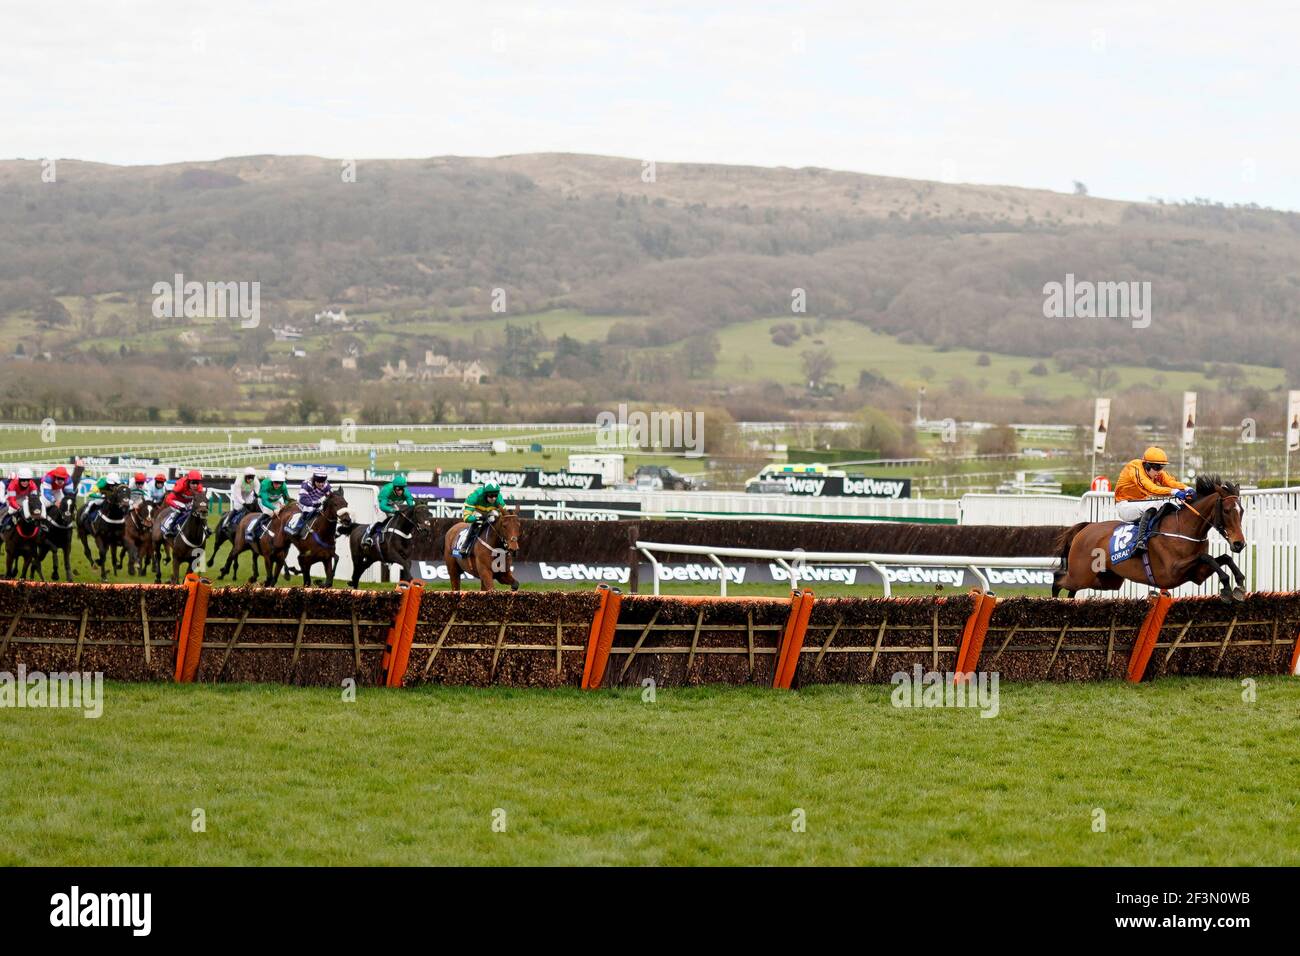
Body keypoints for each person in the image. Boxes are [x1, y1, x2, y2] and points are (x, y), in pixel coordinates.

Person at [1114, 446, 1191, 551]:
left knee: (1167, 505)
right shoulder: (1134, 469)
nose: (1159, 471)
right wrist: (1173, 492)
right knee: (1153, 505)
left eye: (1162, 467)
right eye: (1157, 468)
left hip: (1140, 504)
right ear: (1147, 465)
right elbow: (1150, 489)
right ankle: (1140, 542)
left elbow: (1170, 482)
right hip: (1125, 505)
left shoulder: (1154, 471)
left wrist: (1186, 488)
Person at [456, 481, 508, 556]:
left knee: (495, 520)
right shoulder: (475, 496)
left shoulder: (499, 499)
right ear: (485, 494)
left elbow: (505, 515)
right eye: (491, 495)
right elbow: (467, 518)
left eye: (495, 495)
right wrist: (478, 518)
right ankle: (465, 546)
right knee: (478, 523)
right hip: (475, 510)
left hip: (489, 511)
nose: (493, 498)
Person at [365, 474, 415, 549]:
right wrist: (393, 510)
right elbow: (382, 506)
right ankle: (369, 537)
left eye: (402, 489)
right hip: (381, 504)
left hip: (392, 504)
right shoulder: (387, 490)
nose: (400, 491)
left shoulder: (406, 492)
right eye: (398, 489)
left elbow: (411, 506)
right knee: (381, 520)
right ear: (394, 487)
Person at [289, 469, 333, 536]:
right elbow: (302, 499)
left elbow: (331, 496)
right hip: (304, 500)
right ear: (314, 480)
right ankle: (298, 528)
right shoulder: (306, 484)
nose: (321, 484)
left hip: (316, 500)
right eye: (318, 482)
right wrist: (312, 504)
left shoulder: (326, 485)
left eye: (323, 482)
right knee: (308, 509)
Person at [2, 466, 41, 532]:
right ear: (19, 479)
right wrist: (19, 508)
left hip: (23, 498)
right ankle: (6, 525)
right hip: (11, 499)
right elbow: (12, 500)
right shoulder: (12, 484)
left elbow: (35, 498)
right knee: (12, 510)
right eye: (23, 480)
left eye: (27, 480)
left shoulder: (32, 484)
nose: (25, 482)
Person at [224, 467, 260, 532]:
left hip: (248, 494)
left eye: (252, 477)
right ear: (245, 476)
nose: (250, 479)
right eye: (248, 477)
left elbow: (258, 493)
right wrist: (244, 503)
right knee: (238, 508)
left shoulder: (256, 481)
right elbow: (238, 496)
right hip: (239, 494)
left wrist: (258, 497)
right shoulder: (239, 480)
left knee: (252, 507)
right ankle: (226, 523)